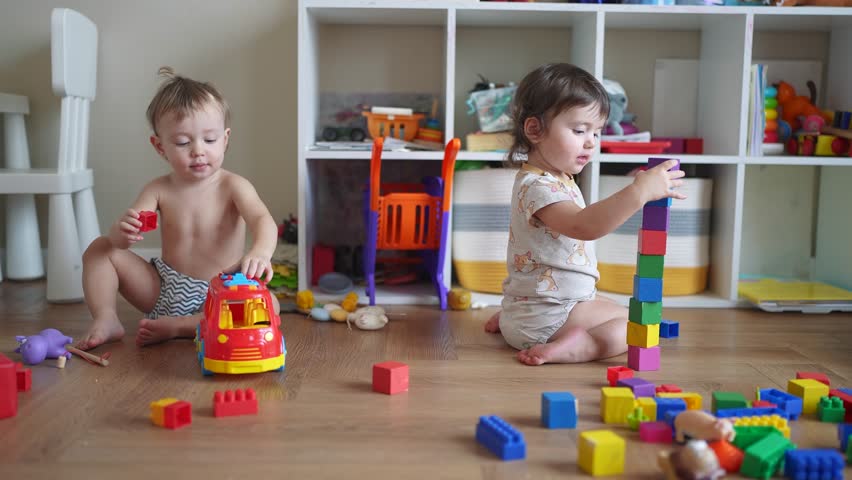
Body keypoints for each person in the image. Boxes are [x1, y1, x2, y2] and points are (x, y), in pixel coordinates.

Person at [483, 63, 686, 365]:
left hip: (538, 310)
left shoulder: (548, 178)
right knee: (640, 323)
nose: (591, 142)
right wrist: (639, 192)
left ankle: (516, 317)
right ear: (535, 130)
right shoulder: (540, 187)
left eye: (596, 132)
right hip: (548, 317)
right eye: (579, 130)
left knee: (611, 304)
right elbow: (584, 226)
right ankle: (578, 345)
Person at [77, 66, 279, 350]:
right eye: (183, 142)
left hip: (221, 290)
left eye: (209, 140)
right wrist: (122, 232)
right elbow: (124, 238)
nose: (198, 150)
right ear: (160, 147)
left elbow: (262, 219)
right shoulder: (159, 189)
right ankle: (106, 317)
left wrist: (261, 252)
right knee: (99, 249)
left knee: (271, 304)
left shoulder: (234, 186)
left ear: (225, 139)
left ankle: (180, 327)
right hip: (163, 288)